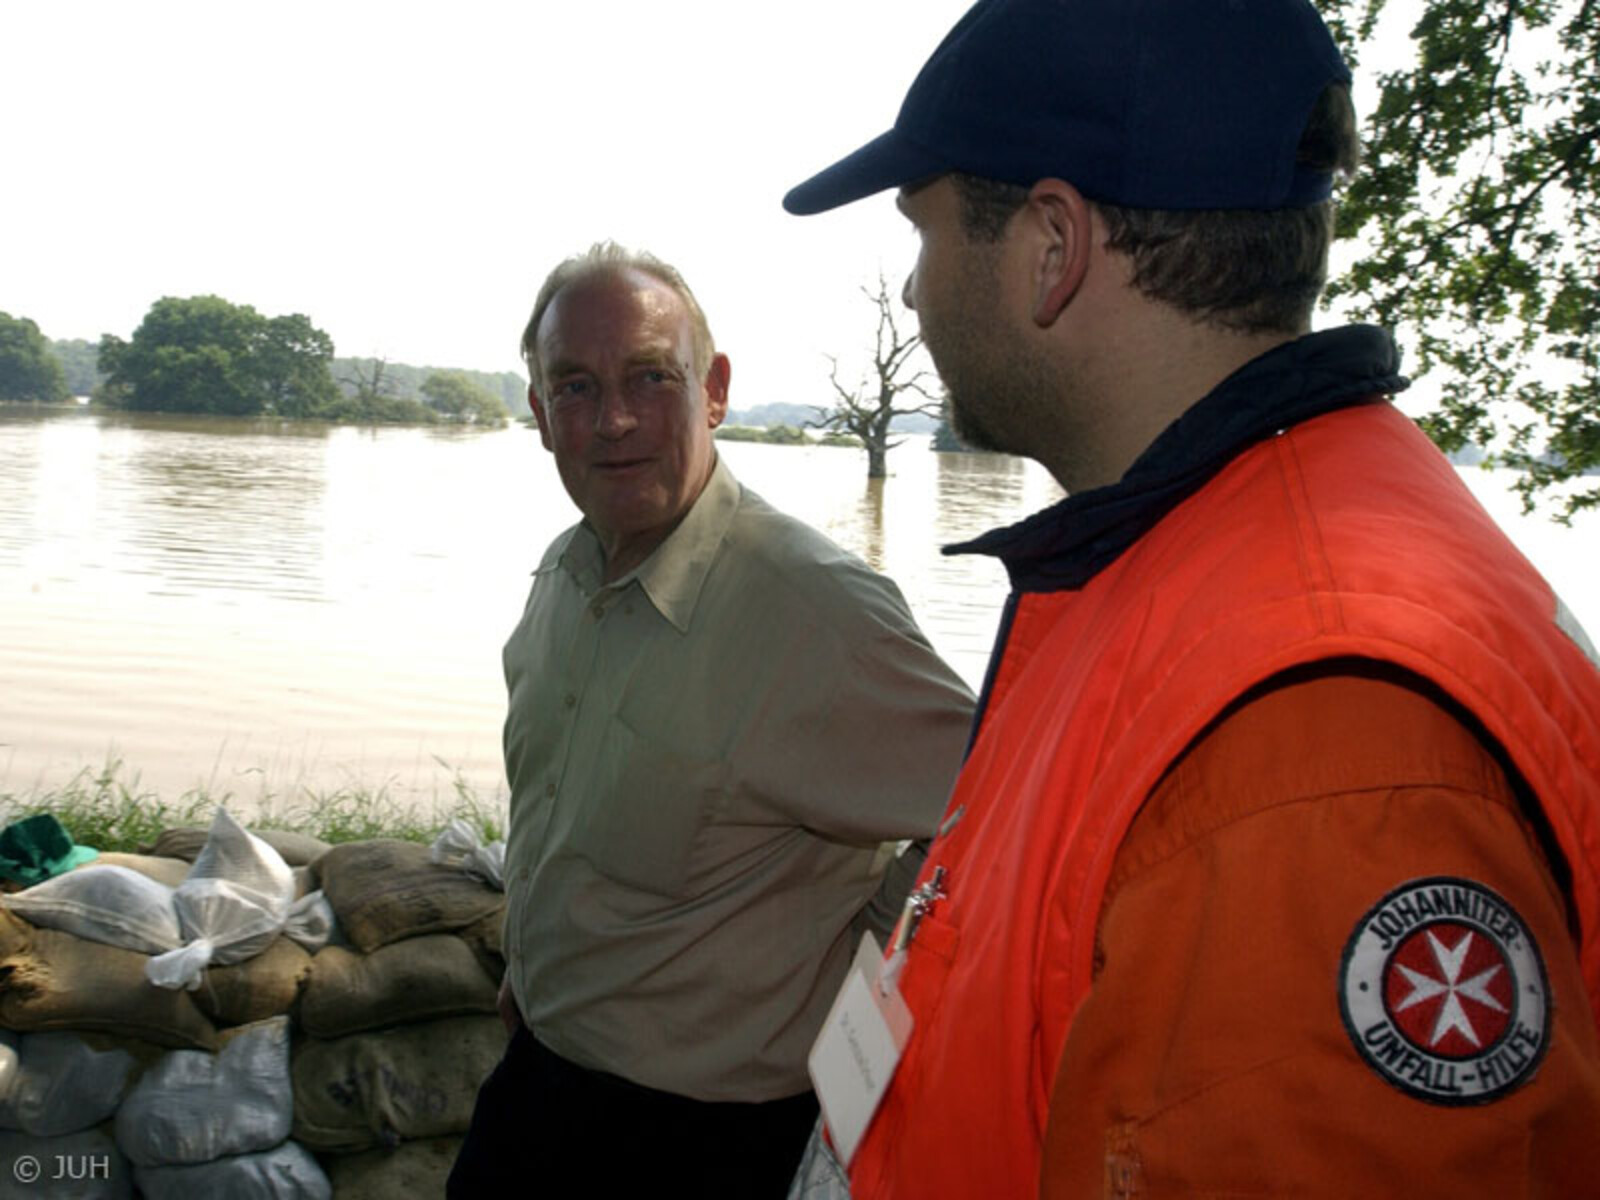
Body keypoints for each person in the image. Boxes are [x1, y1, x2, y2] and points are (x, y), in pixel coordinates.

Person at [780, 0, 1600, 1195]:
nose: (912, 295)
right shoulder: (1180, 557)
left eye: (927, 233)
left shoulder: (1312, 741)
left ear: (1051, 247)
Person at [446, 243, 975, 1198]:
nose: (612, 420)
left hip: (709, 1146)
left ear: (716, 389)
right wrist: (538, 958)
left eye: (651, 376)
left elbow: (995, 804)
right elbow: (558, 809)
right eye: (574, 386)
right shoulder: (566, 574)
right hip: (538, 1091)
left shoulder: (814, 613)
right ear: (537, 415)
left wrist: (856, 974)